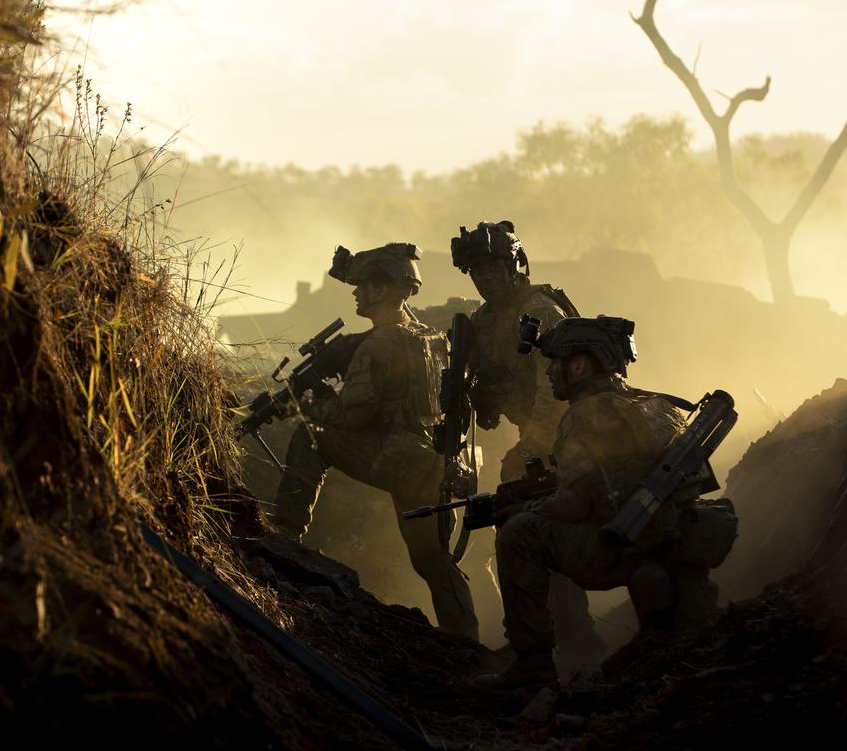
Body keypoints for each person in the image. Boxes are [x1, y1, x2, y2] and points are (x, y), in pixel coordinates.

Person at [479, 315, 730, 692]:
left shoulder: (583, 414)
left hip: (618, 546)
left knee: (518, 535)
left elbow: (576, 503)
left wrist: (527, 510)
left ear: (578, 365)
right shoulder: (656, 405)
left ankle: (532, 665)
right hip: (669, 533)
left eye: (555, 363)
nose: (548, 373)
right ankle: (662, 631)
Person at [270, 243, 479, 640]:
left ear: (385, 289)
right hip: (431, 464)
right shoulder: (427, 335)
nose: (356, 293)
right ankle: (466, 639)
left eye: (364, 285)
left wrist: (308, 405)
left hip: (398, 459)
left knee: (310, 438)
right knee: (433, 560)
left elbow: (351, 417)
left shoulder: (378, 344)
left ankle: (284, 534)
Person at [452, 220, 605, 669]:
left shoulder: (541, 311)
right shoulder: (485, 319)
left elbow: (551, 387)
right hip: (534, 438)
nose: (484, 280)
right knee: (526, 529)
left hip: (571, 439)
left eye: (492, 269)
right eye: (476, 273)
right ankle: (549, 639)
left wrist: (532, 446)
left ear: (515, 264)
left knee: (541, 532)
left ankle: (570, 638)